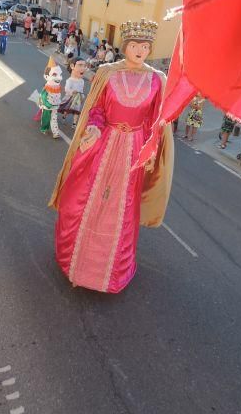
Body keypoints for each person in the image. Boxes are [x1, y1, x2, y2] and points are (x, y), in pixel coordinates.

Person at [49, 18, 173, 293]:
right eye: (135, 46)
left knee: (123, 207)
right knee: (88, 197)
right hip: (105, 143)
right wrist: (93, 127)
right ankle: (76, 263)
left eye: (145, 47)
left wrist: (152, 147)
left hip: (134, 151)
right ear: (125, 46)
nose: (140, 51)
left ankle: (111, 271)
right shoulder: (107, 73)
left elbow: (157, 120)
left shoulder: (157, 79)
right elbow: (97, 110)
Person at [59, 58, 86, 129]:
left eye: (84, 66)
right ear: (72, 66)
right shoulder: (70, 80)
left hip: (78, 99)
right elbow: (66, 89)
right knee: (67, 110)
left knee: (77, 111)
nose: (83, 68)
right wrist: (72, 92)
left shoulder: (82, 81)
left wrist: (82, 96)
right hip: (70, 98)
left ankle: (74, 123)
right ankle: (64, 116)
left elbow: (81, 90)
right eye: (80, 65)